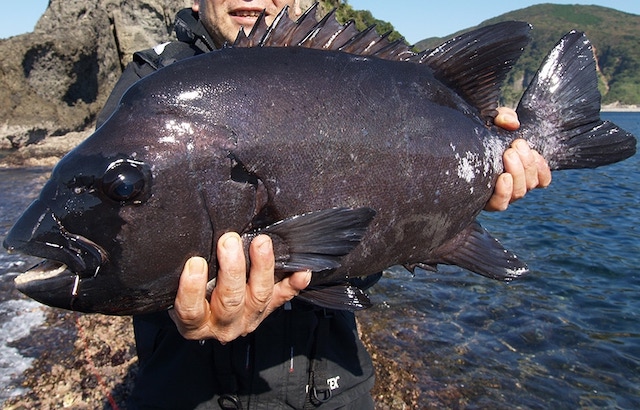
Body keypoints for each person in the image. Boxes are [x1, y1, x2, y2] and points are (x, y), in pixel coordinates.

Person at [96, 1, 552, 408]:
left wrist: (469, 184)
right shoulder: (150, 86)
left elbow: (371, 225)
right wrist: (182, 306)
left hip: (333, 387)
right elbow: (120, 235)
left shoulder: (361, 71)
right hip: (184, 391)